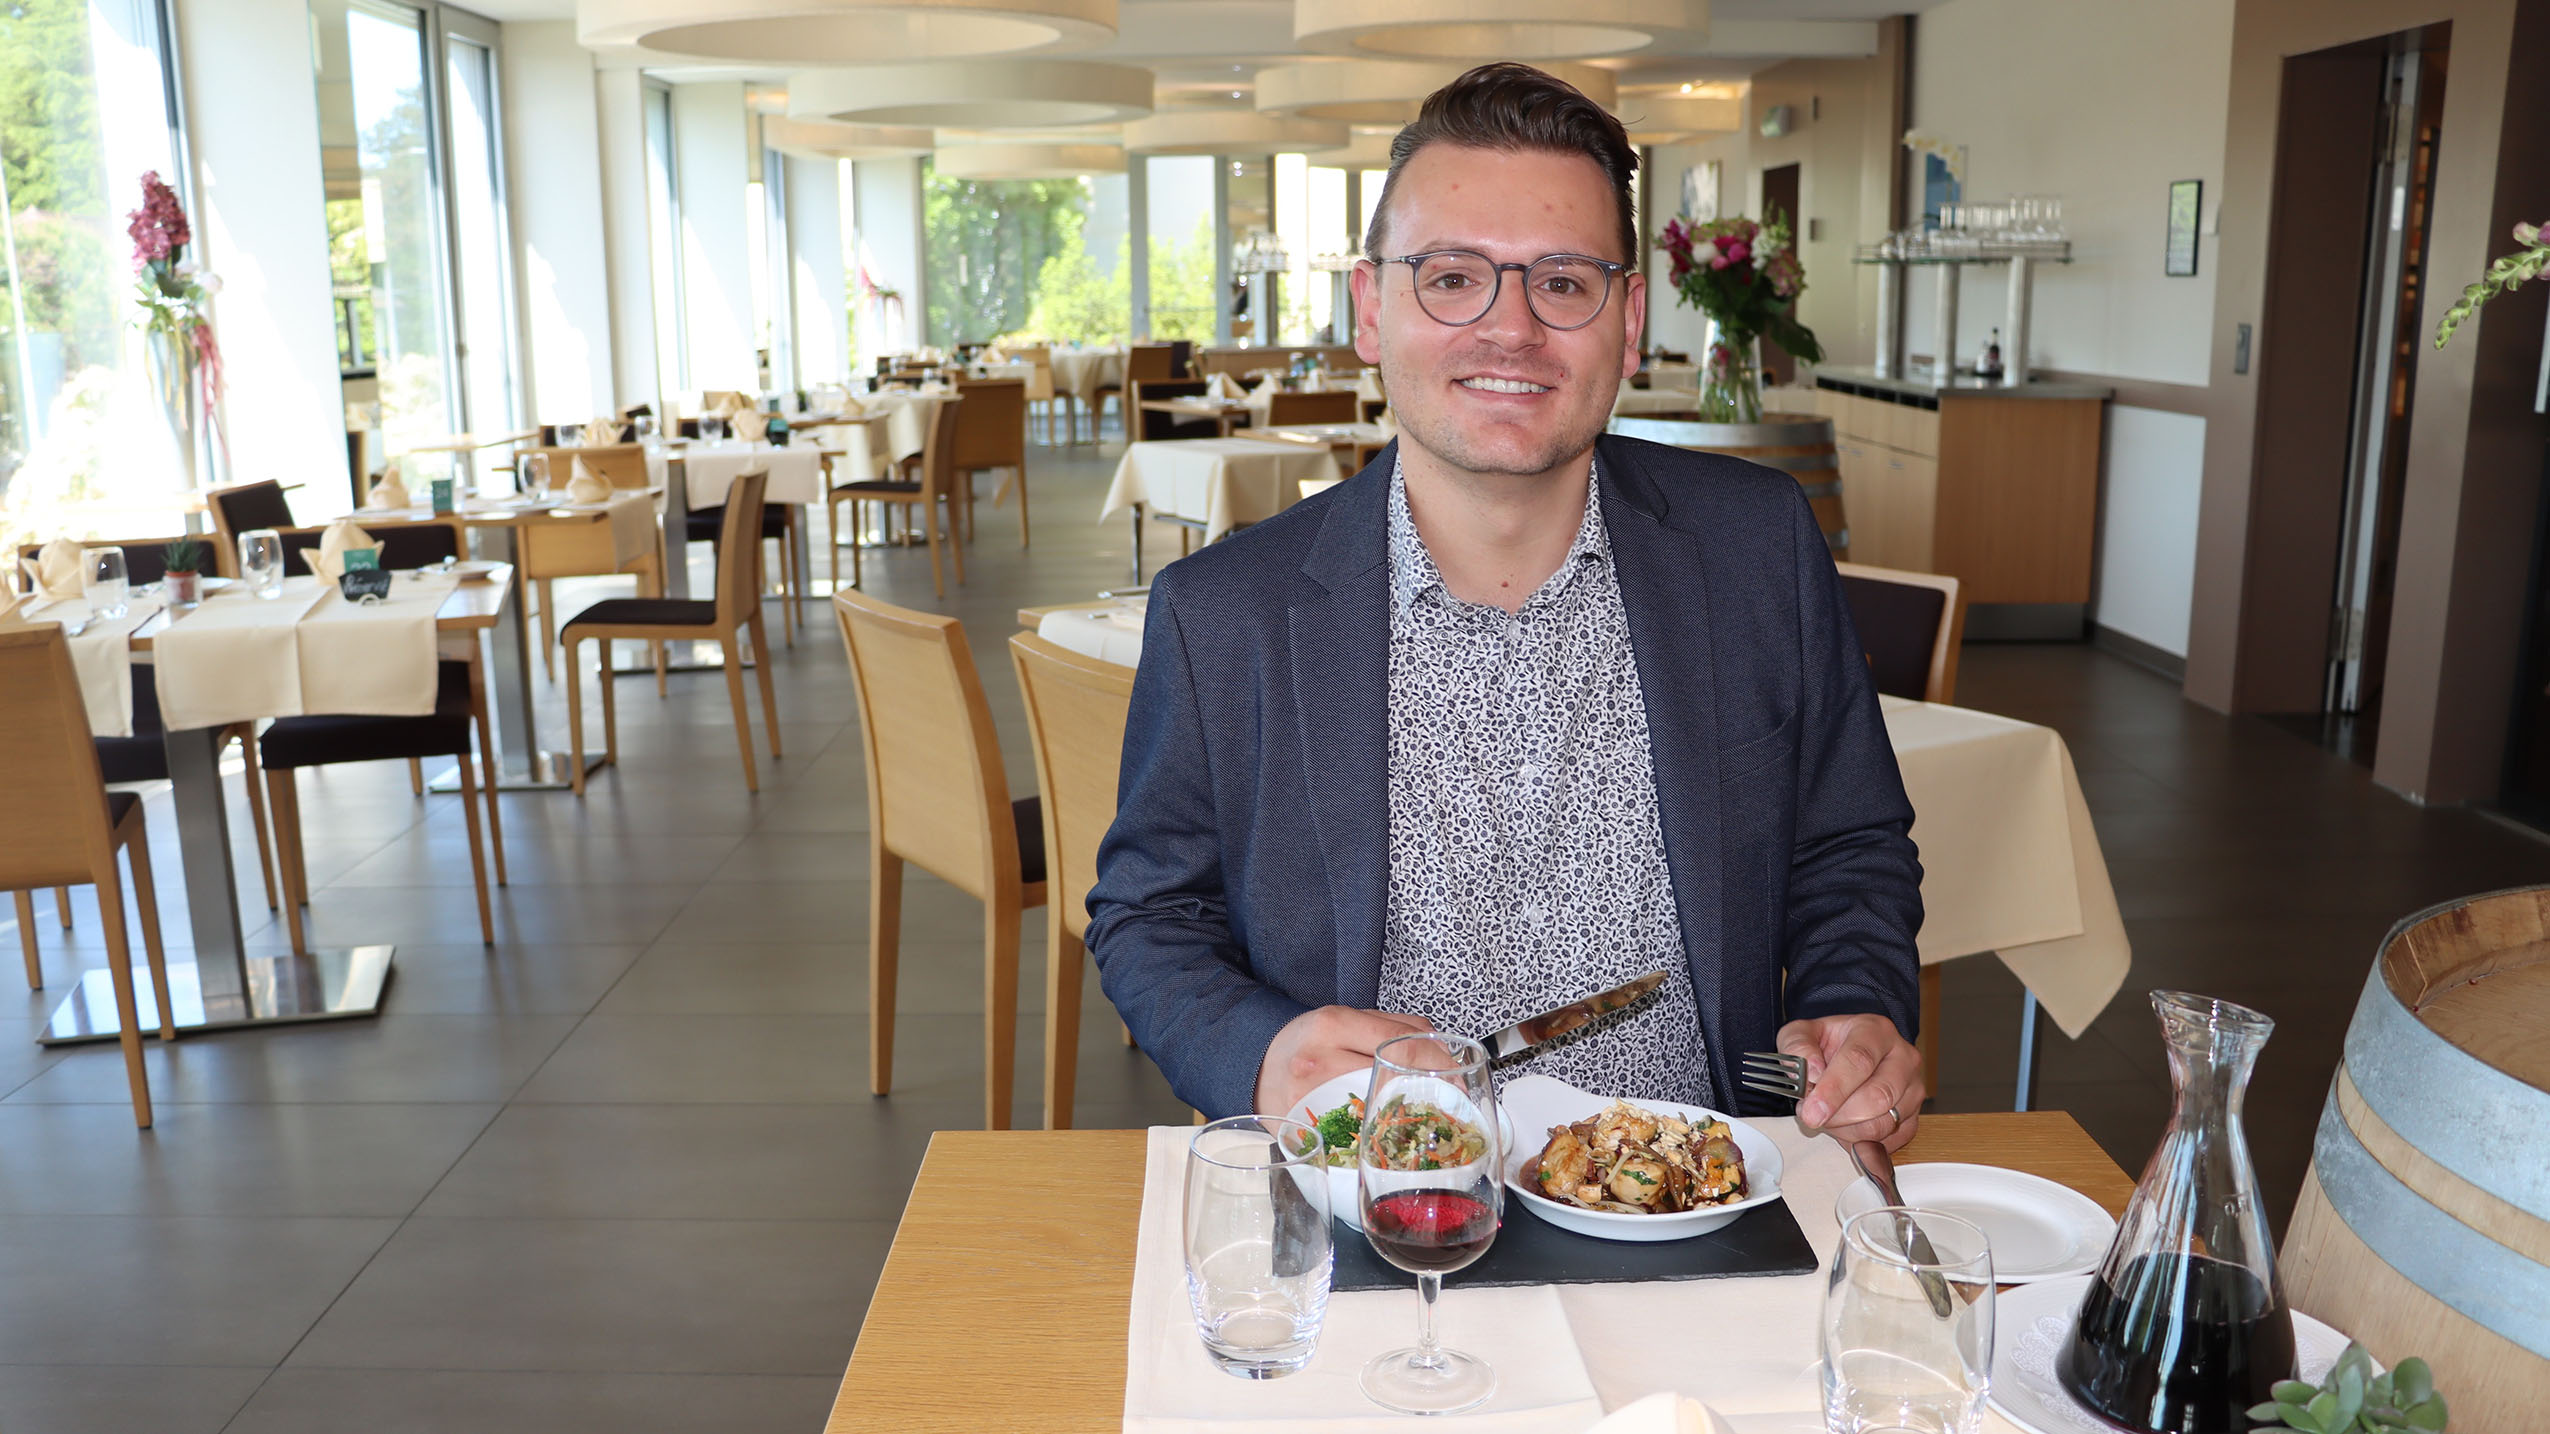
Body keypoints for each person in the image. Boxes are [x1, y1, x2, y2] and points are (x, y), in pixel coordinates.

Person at [1085, 62, 1928, 1151]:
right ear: (1371, 310)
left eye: (1563, 282)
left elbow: (1848, 844)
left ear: (1629, 321)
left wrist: (1855, 1005)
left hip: (1702, 1190)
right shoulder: (1223, 613)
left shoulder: (1756, 548)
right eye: (1451, 277)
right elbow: (1151, 913)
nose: (1511, 328)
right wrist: (1264, 1050)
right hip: (1375, 1194)